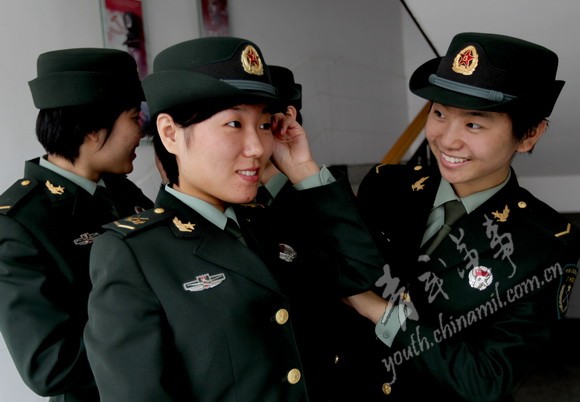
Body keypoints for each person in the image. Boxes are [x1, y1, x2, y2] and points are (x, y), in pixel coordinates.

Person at [83, 37, 382, 402]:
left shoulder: (266, 221)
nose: (257, 148)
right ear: (170, 133)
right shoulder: (136, 253)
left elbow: (357, 273)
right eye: (234, 124)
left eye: (263, 125)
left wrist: (303, 170)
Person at [333, 32, 580, 401]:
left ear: (529, 134)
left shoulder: (545, 245)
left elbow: (485, 379)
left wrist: (377, 310)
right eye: (439, 113)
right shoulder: (387, 185)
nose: (447, 140)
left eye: (473, 124)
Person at [0, 48, 153, 401]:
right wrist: (155, 329)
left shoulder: (120, 191)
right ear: (92, 129)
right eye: (135, 118)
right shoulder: (21, 224)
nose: (142, 132)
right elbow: (50, 366)